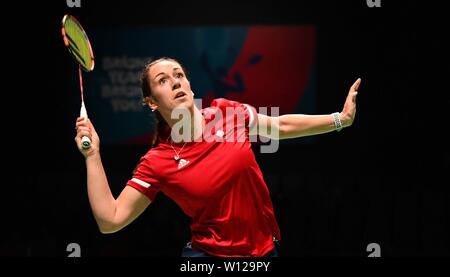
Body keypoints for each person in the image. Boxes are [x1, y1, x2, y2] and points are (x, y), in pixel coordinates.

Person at [75, 57, 360, 257]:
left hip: (262, 253)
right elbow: (110, 219)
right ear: (151, 102)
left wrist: (340, 120)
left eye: (179, 75)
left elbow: (280, 126)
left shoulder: (228, 113)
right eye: (163, 80)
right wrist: (93, 155)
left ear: (190, 85)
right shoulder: (157, 160)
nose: (175, 82)